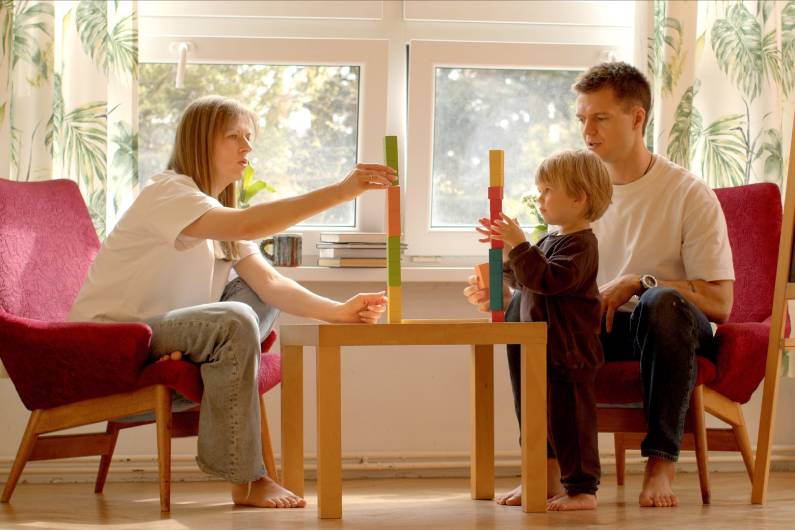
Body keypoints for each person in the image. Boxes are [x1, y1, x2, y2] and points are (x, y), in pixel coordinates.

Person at [69, 95, 395, 509]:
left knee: (254, 298)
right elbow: (246, 223)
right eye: (234, 136)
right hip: (115, 340)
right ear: (201, 142)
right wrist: (340, 192)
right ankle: (247, 479)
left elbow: (272, 282)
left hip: (165, 334)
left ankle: (204, 361)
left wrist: (338, 311)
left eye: (249, 137)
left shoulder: (216, 211)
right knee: (235, 318)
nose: (247, 146)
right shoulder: (168, 192)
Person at [464, 62, 734, 508]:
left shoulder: (688, 194)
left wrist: (638, 282)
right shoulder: (577, 190)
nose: (587, 130)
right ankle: (546, 467)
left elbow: (721, 303)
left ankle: (661, 464)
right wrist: (503, 288)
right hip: (592, 328)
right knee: (521, 312)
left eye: (600, 118)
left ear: (637, 118)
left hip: (665, 332)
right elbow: (551, 277)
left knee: (660, 301)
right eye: (581, 119)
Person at [477, 149, 612, 511]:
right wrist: (504, 261)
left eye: (547, 189)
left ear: (579, 198)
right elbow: (527, 280)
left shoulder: (582, 245)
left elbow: (549, 279)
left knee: (571, 424)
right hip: (536, 348)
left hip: (567, 353)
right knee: (537, 419)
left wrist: (520, 245)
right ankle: (542, 480)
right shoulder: (552, 240)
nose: (540, 198)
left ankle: (583, 489)